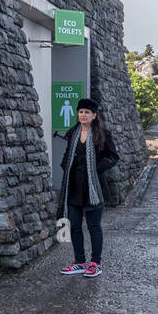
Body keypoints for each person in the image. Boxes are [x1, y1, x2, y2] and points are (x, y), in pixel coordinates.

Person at [58, 97, 119, 277]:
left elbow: (113, 156)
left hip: (94, 187)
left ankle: (95, 264)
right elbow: (67, 154)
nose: (83, 115)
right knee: (74, 226)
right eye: (81, 112)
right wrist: (64, 165)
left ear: (94, 115)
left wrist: (97, 169)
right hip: (74, 186)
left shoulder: (102, 134)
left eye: (86, 112)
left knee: (94, 227)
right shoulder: (72, 133)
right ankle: (79, 262)